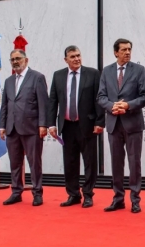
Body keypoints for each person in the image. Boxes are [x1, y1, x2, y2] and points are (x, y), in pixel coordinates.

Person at [48, 45, 105, 208]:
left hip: (87, 125)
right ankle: (73, 194)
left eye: (78, 55)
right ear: (66, 60)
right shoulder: (58, 76)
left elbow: (98, 99)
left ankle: (88, 194)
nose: (76, 59)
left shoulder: (93, 74)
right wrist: (51, 124)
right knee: (70, 162)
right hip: (67, 126)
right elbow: (53, 101)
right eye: (72, 56)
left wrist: (100, 122)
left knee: (90, 162)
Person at [97, 38, 145, 213]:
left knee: (135, 163)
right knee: (116, 163)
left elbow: (144, 96)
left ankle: (135, 199)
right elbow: (101, 96)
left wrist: (127, 105)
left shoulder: (139, 70)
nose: (127, 52)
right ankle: (118, 198)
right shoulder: (107, 71)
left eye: (129, 49)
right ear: (115, 52)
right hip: (113, 124)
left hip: (132, 123)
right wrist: (112, 106)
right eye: (124, 50)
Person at [0, 49, 49, 207]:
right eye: (12, 59)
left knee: (34, 162)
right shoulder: (8, 81)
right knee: (15, 162)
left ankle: (37, 192)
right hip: (12, 128)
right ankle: (16, 192)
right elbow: (5, 106)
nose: (15, 61)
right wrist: (2, 126)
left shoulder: (37, 77)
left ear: (26, 60)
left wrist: (43, 124)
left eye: (18, 58)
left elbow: (43, 103)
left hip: (31, 128)